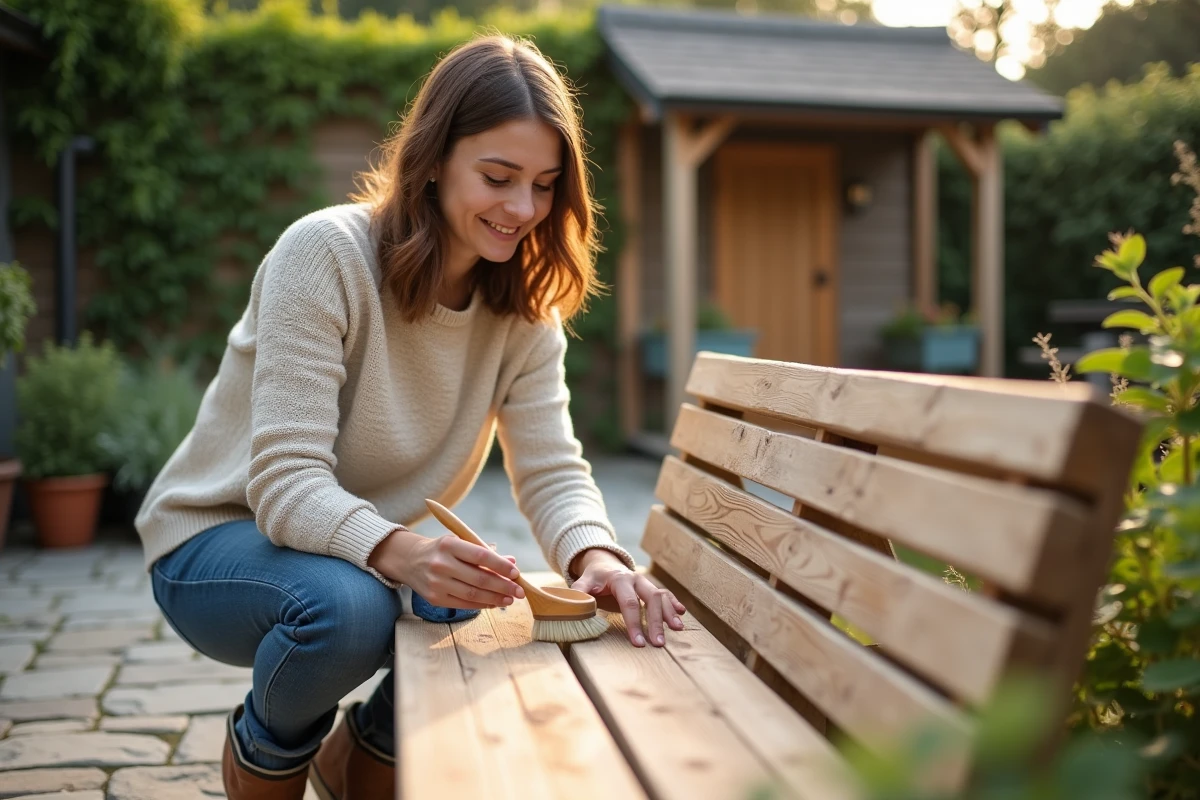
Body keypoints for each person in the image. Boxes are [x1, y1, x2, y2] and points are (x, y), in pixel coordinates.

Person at [134, 33, 687, 800]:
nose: (523, 209)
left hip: (352, 551)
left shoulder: (524, 308)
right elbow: (286, 484)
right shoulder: (324, 254)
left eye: (544, 185)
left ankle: (366, 755)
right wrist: (400, 551)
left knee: (467, 589)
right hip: (219, 541)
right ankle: (269, 755)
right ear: (432, 161)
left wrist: (598, 560)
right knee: (352, 610)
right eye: (497, 177)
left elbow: (553, 468)